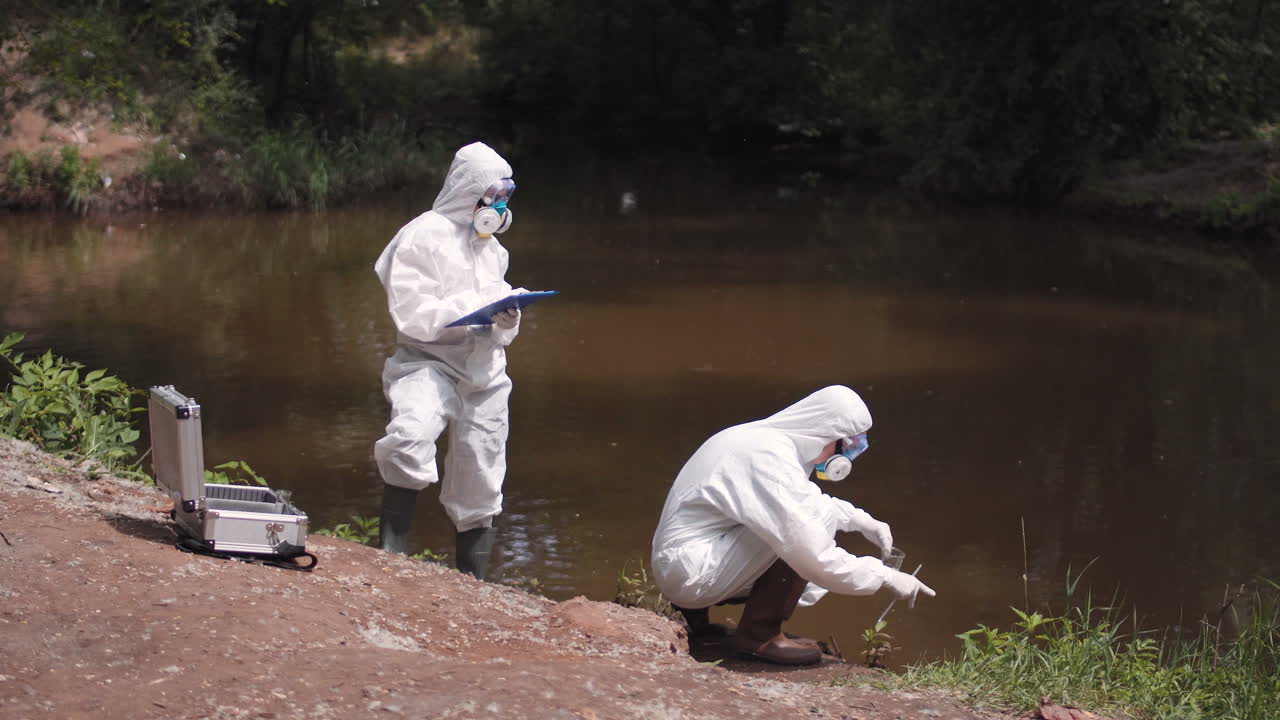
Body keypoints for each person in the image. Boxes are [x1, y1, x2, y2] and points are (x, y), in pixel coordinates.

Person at [650, 385, 936, 665]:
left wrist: (859, 520)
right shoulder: (768, 458)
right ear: (828, 434)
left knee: (798, 518)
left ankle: (697, 619)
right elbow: (812, 553)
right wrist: (884, 575)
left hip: (683, 563)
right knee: (804, 531)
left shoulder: (759, 441)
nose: (846, 458)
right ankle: (759, 635)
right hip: (690, 575)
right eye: (848, 447)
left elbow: (802, 498)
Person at [373, 141, 524, 580]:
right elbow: (411, 313)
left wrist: (507, 319)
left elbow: (499, 315)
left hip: (485, 372)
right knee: (409, 437)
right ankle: (390, 559)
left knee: (482, 473)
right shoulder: (422, 235)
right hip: (428, 363)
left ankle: (472, 583)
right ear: (470, 189)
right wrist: (472, 310)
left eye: (506, 196)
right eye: (494, 195)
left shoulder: (492, 249)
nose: (499, 206)